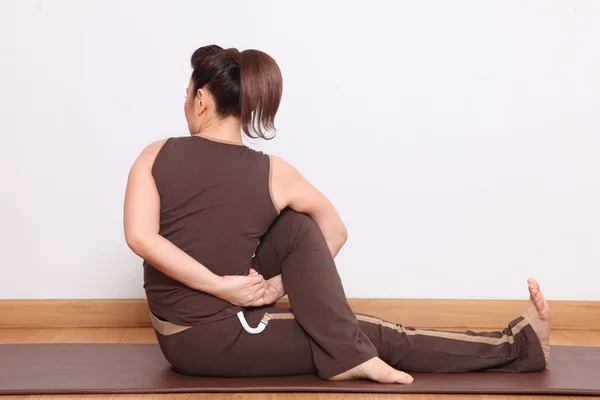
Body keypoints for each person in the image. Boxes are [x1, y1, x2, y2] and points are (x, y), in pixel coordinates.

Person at [123, 44, 551, 384]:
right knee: (371, 334)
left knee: (296, 229)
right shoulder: (275, 172)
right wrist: (228, 290)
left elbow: (141, 237)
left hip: (186, 334)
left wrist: (270, 290)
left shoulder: (155, 153)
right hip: (208, 340)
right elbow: (336, 231)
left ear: (201, 101)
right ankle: (518, 346)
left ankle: (351, 351)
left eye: (186, 95)